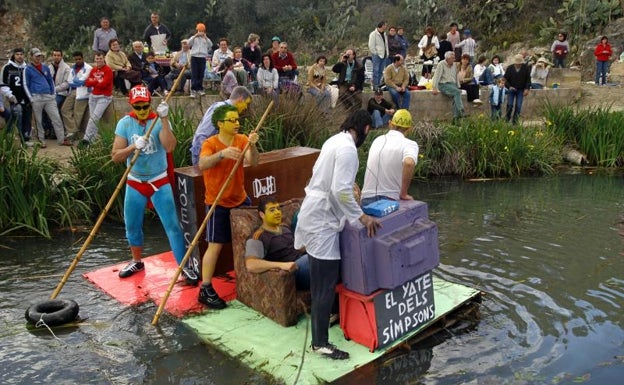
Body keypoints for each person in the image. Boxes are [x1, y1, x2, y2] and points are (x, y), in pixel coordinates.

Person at [294, 109, 380, 360]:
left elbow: (334, 184)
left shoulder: (334, 140)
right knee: (324, 286)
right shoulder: (348, 150)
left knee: (322, 282)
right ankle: (320, 343)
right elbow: (340, 191)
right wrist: (362, 217)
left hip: (315, 213)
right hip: (321, 222)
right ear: (365, 130)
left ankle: (322, 328)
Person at [111, 85, 197, 285]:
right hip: (135, 181)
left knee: (173, 226)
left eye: (145, 106)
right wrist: (133, 146)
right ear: (131, 105)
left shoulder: (157, 121)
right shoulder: (125, 123)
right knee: (132, 225)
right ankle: (136, 261)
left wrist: (165, 119)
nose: (142, 111)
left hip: (159, 180)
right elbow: (115, 156)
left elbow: (170, 146)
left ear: (151, 103)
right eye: (138, 107)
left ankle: (184, 267)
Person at [197, 104, 260, 309]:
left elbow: (254, 162)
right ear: (220, 123)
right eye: (232, 120)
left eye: (237, 120)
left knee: (251, 239)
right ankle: (205, 288)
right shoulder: (210, 143)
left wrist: (252, 145)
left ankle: (251, 277)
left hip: (240, 199)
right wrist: (222, 155)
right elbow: (203, 164)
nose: (237, 123)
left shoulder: (241, 140)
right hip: (218, 202)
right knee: (215, 245)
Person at [245, 196, 310, 290]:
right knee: (312, 259)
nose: (277, 213)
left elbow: (296, 248)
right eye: (272, 210)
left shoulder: (284, 227)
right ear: (262, 214)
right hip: (291, 273)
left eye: (278, 209)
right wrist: (281, 265)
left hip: (303, 262)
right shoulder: (258, 236)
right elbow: (251, 264)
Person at [361, 109, 418, 206]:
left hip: (366, 198)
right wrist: (403, 194)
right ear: (409, 129)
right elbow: (409, 163)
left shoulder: (377, 140)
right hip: (389, 199)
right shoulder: (409, 144)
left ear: (390, 124)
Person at [190, 86, 252, 165]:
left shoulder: (230, 112)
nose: (246, 107)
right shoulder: (219, 109)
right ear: (240, 99)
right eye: (246, 103)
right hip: (204, 154)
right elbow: (202, 135)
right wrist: (206, 156)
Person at [24, 48, 67, 147]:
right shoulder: (28, 69)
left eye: (40, 56)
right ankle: (42, 141)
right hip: (36, 96)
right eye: (36, 56)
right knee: (38, 120)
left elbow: (50, 81)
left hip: (48, 96)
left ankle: (61, 139)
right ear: (31, 57)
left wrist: (53, 93)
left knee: (56, 118)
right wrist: (31, 98)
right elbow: (26, 84)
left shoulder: (45, 67)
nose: (38, 58)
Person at [1, 48, 32, 144]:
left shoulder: (27, 67)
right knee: (18, 116)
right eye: (17, 54)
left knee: (27, 117)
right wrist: (10, 95)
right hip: (14, 98)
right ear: (14, 55)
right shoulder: (7, 68)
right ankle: (18, 138)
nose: (19, 56)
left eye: (21, 54)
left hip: (27, 98)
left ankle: (26, 138)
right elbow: (2, 83)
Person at [82, 51, 113, 145]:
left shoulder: (108, 70)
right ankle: (93, 140)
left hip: (104, 97)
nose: (99, 60)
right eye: (97, 59)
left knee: (94, 119)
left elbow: (104, 84)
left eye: (100, 58)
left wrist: (94, 81)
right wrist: (98, 80)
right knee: (93, 119)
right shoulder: (94, 70)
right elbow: (87, 83)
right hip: (93, 96)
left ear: (104, 58)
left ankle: (86, 140)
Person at [61, 51, 92, 141]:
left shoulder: (88, 68)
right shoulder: (73, 69)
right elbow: (70, 81)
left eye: (79, 59)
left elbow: (83, 81)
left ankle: (74, 135)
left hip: (83, 93)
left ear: (83, 58)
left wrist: (77, 81)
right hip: (73, 91)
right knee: (64, 109)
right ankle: (73, 130)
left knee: (78, 114)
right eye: (76, 59)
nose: (78, 61)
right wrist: (77, 82)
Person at [432, 51, 465, 121]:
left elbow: (456, 76)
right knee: (457, 93)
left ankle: (455, 119)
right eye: (452, 58)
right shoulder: (441, 64)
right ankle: (461, 111)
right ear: (447, 58)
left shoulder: (454, 65)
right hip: (443, 84)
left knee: (456, 97)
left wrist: (458, 86)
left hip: (452, 85)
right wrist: (434, 87)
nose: (454, 59)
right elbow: (436, 76)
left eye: (454, 58)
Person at [504, 54, 531, 124]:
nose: (518, 65)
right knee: (510, 105)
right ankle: (507, 119)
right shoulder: (510, 68)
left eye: (519, 63)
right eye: (517, 63)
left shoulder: (526, 68)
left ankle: (515, 122)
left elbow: (528, 79)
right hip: (511, 89)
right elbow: (505, 79)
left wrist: (527, 89)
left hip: (521, 89)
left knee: (518, 106)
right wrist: (509, 87)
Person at [188, 23, 212, 98]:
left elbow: (210, 45)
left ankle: (200, 88)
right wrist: (195, 36)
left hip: (202, 57)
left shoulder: (206, 39)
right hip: (194, 57)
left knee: (201, 74)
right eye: (199, 30)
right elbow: (188, 43)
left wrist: (206, 38)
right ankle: (193, 90)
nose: (201, 32)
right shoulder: (194, 38)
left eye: (202, 30)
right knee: (194, 73)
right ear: (197, 30)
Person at [368, 21, 389, 90]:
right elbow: (371, 45)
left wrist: (387, 53)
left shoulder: (385, 34)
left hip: (384, 55)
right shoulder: (373, 34)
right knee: (376, 70)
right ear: (382, 26)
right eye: (385, 25)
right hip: (377, 55)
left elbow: (386, 44)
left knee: (381, 71)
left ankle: (379, 84)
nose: (386, 27)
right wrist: (375, 53)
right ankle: (375, 85)